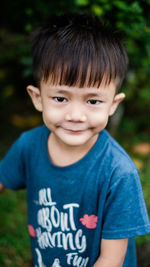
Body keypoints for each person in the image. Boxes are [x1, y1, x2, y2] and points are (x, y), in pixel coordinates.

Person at [0, 13, 150, 267]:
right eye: (60, 98)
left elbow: (111, 260)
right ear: (37, 98)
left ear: (113, 105)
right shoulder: (29, 146)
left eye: (93, 101)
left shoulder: (118, 173)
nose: (76, 116)